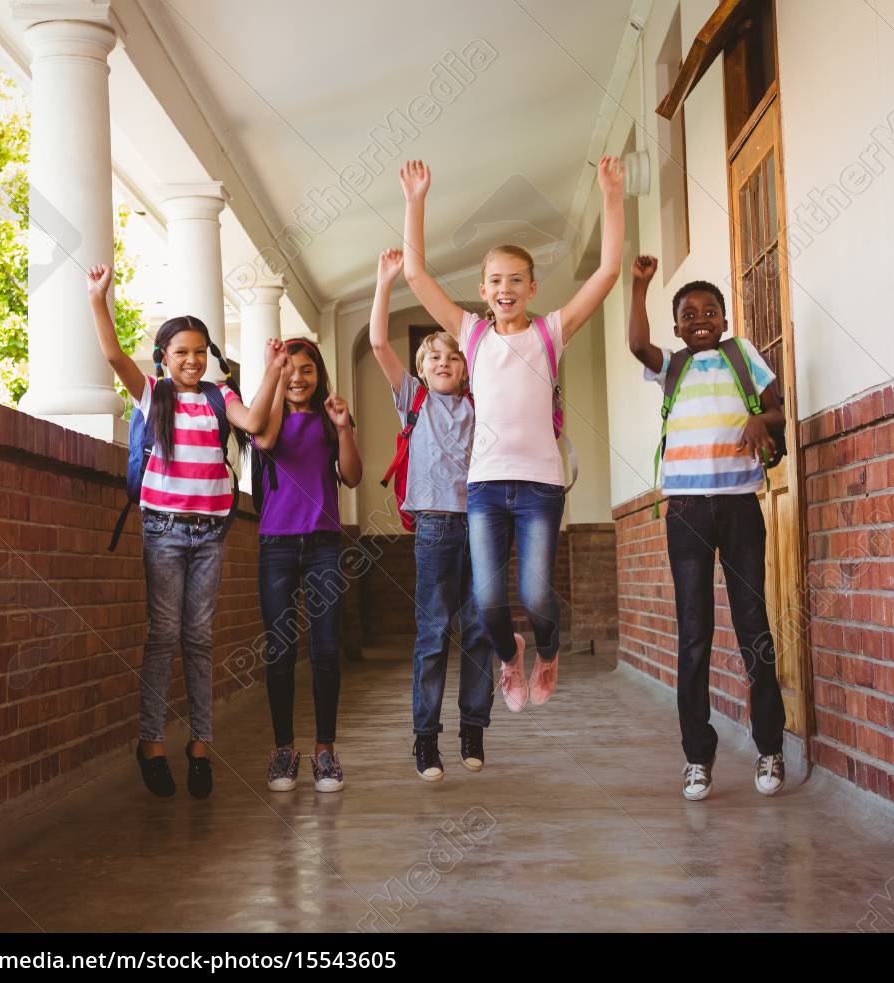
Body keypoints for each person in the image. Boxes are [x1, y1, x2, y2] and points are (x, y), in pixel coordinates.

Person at [399, 156, 625, 711]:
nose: (506, 288)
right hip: (484, 488)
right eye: (495, 280)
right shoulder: (472, 335)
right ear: (483, 288)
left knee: (536, 594)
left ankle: (547, 651)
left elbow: (607, 272)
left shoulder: (550, 333)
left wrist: (611, 196)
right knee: (487, 600)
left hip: (540, 487)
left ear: (531, 288)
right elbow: (415, 277)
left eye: (516, 280)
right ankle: (510, 656)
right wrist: (416, 202)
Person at [87, 263, 288, 799]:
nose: (192, 361)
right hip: (164, 530)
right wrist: (98, 299)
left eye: (200, 352)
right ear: (164, 357)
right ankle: (151, 742)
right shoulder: (154, 394)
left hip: (211, 533)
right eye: (181, 353)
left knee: (199, 639)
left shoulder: (221, 399)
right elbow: (112, 356)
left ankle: (201, 745)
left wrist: (271, 370)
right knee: (163, 636)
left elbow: (254, 425)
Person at [625, 254, 787, 801]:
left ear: (724, 320)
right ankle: (698, 756)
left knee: (752, 625)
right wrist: (639, 286)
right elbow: (635, 346)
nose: (700, 319)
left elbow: (778, 412)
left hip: (740, 505)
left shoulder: (744, 358)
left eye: (710, 311)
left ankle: (769, 747)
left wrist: (760, 420)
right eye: (689, 313)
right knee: (693, 633)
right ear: (676, 327)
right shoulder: (671, 366)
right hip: (688, 512)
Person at [368, 247, 494, 781]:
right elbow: (377, 341)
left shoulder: (477, 402)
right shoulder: (413, 400)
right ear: (420, 369)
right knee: (433, 632)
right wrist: (385, 281)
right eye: (434, 357)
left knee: (481, 628)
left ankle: (473, 728)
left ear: (466, 366)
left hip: (482, 523)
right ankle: (426, 741)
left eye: (453, 356)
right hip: (435, 528)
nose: (443, 363)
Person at [253, 339, 363, 792]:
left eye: (307, 370)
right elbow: (266, 438)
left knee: (324, 650)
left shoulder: (328, 420)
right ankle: (283, 749)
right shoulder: (267, 416)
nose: (298, 377)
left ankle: (325, 750)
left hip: (322, 545)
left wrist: (344, 429)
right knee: (279, 652)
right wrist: (272, 375)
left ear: (319, 375)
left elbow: (352, 476)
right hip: (276, 545)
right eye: (289, 369)